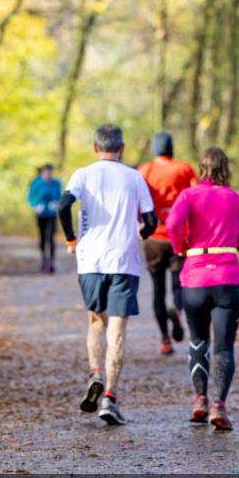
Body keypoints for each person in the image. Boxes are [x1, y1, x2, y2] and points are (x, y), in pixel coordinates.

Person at [58, 124, 157, 426]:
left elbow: (63, 205)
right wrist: (143, 232)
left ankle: (95, 373)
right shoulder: (134, 176)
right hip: (123, 261)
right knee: (118, 329)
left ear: (95, 147)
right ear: (121, 148)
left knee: (95, 321)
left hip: (90, 260)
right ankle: (110, 398)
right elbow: (151, 219)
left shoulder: (82, 174)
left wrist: (71, 239)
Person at [166, 147, 239, 431]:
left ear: (201, 168)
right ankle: (219, 405)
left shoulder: (189, 195)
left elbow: (172, 223)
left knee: (198, 341)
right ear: (225, 168)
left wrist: (181, 247)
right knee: (224, 346)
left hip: (195, 279)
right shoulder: (235, 198)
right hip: (228, 279)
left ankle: (200, 401)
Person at [138, 132, 197, 355]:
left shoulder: (144, 170)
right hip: (179, 235)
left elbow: (136, 201)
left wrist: (139, 225)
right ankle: (177, 309)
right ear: (171, 147)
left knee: (158, 290)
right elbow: (195, 198)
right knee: (178, 284)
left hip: (154, 237)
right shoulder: (184, 169)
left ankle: (165, 339)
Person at [27, 164, 62, 273]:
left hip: (52, 214)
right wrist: (35, 206)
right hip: (41, 214)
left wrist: (56, 203)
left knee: (50, 238)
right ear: (42, 173)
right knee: (42, 238)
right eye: (45, 173)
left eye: (49, 173)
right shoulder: (36, 183)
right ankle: (43, 259)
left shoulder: (56, 183)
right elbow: (31, 197)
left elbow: (59, 196)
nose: (48, 175)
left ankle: (51, 263)